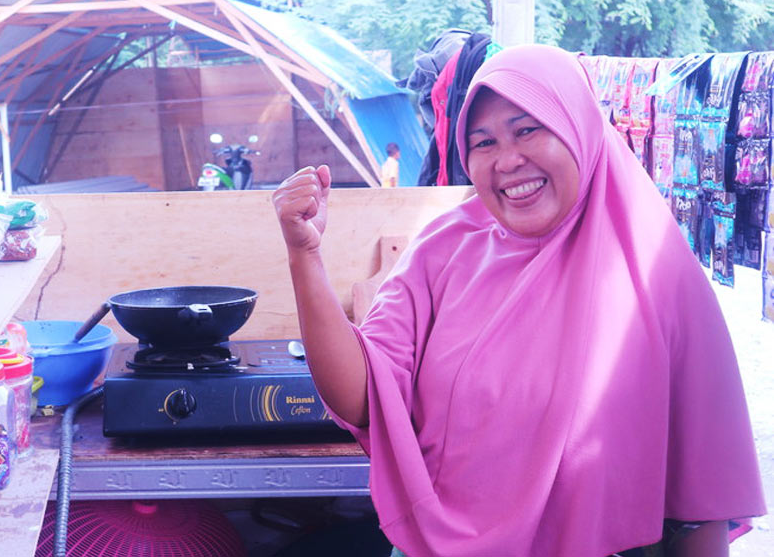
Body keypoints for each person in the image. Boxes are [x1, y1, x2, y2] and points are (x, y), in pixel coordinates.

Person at [271, 44, 765, 557]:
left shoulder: (659, 278)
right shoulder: (442, 252)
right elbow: (363, 396)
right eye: (483, 142)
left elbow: (701, 504)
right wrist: (305, 257)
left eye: (527, 130)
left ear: (578, 127)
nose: (507, 161)